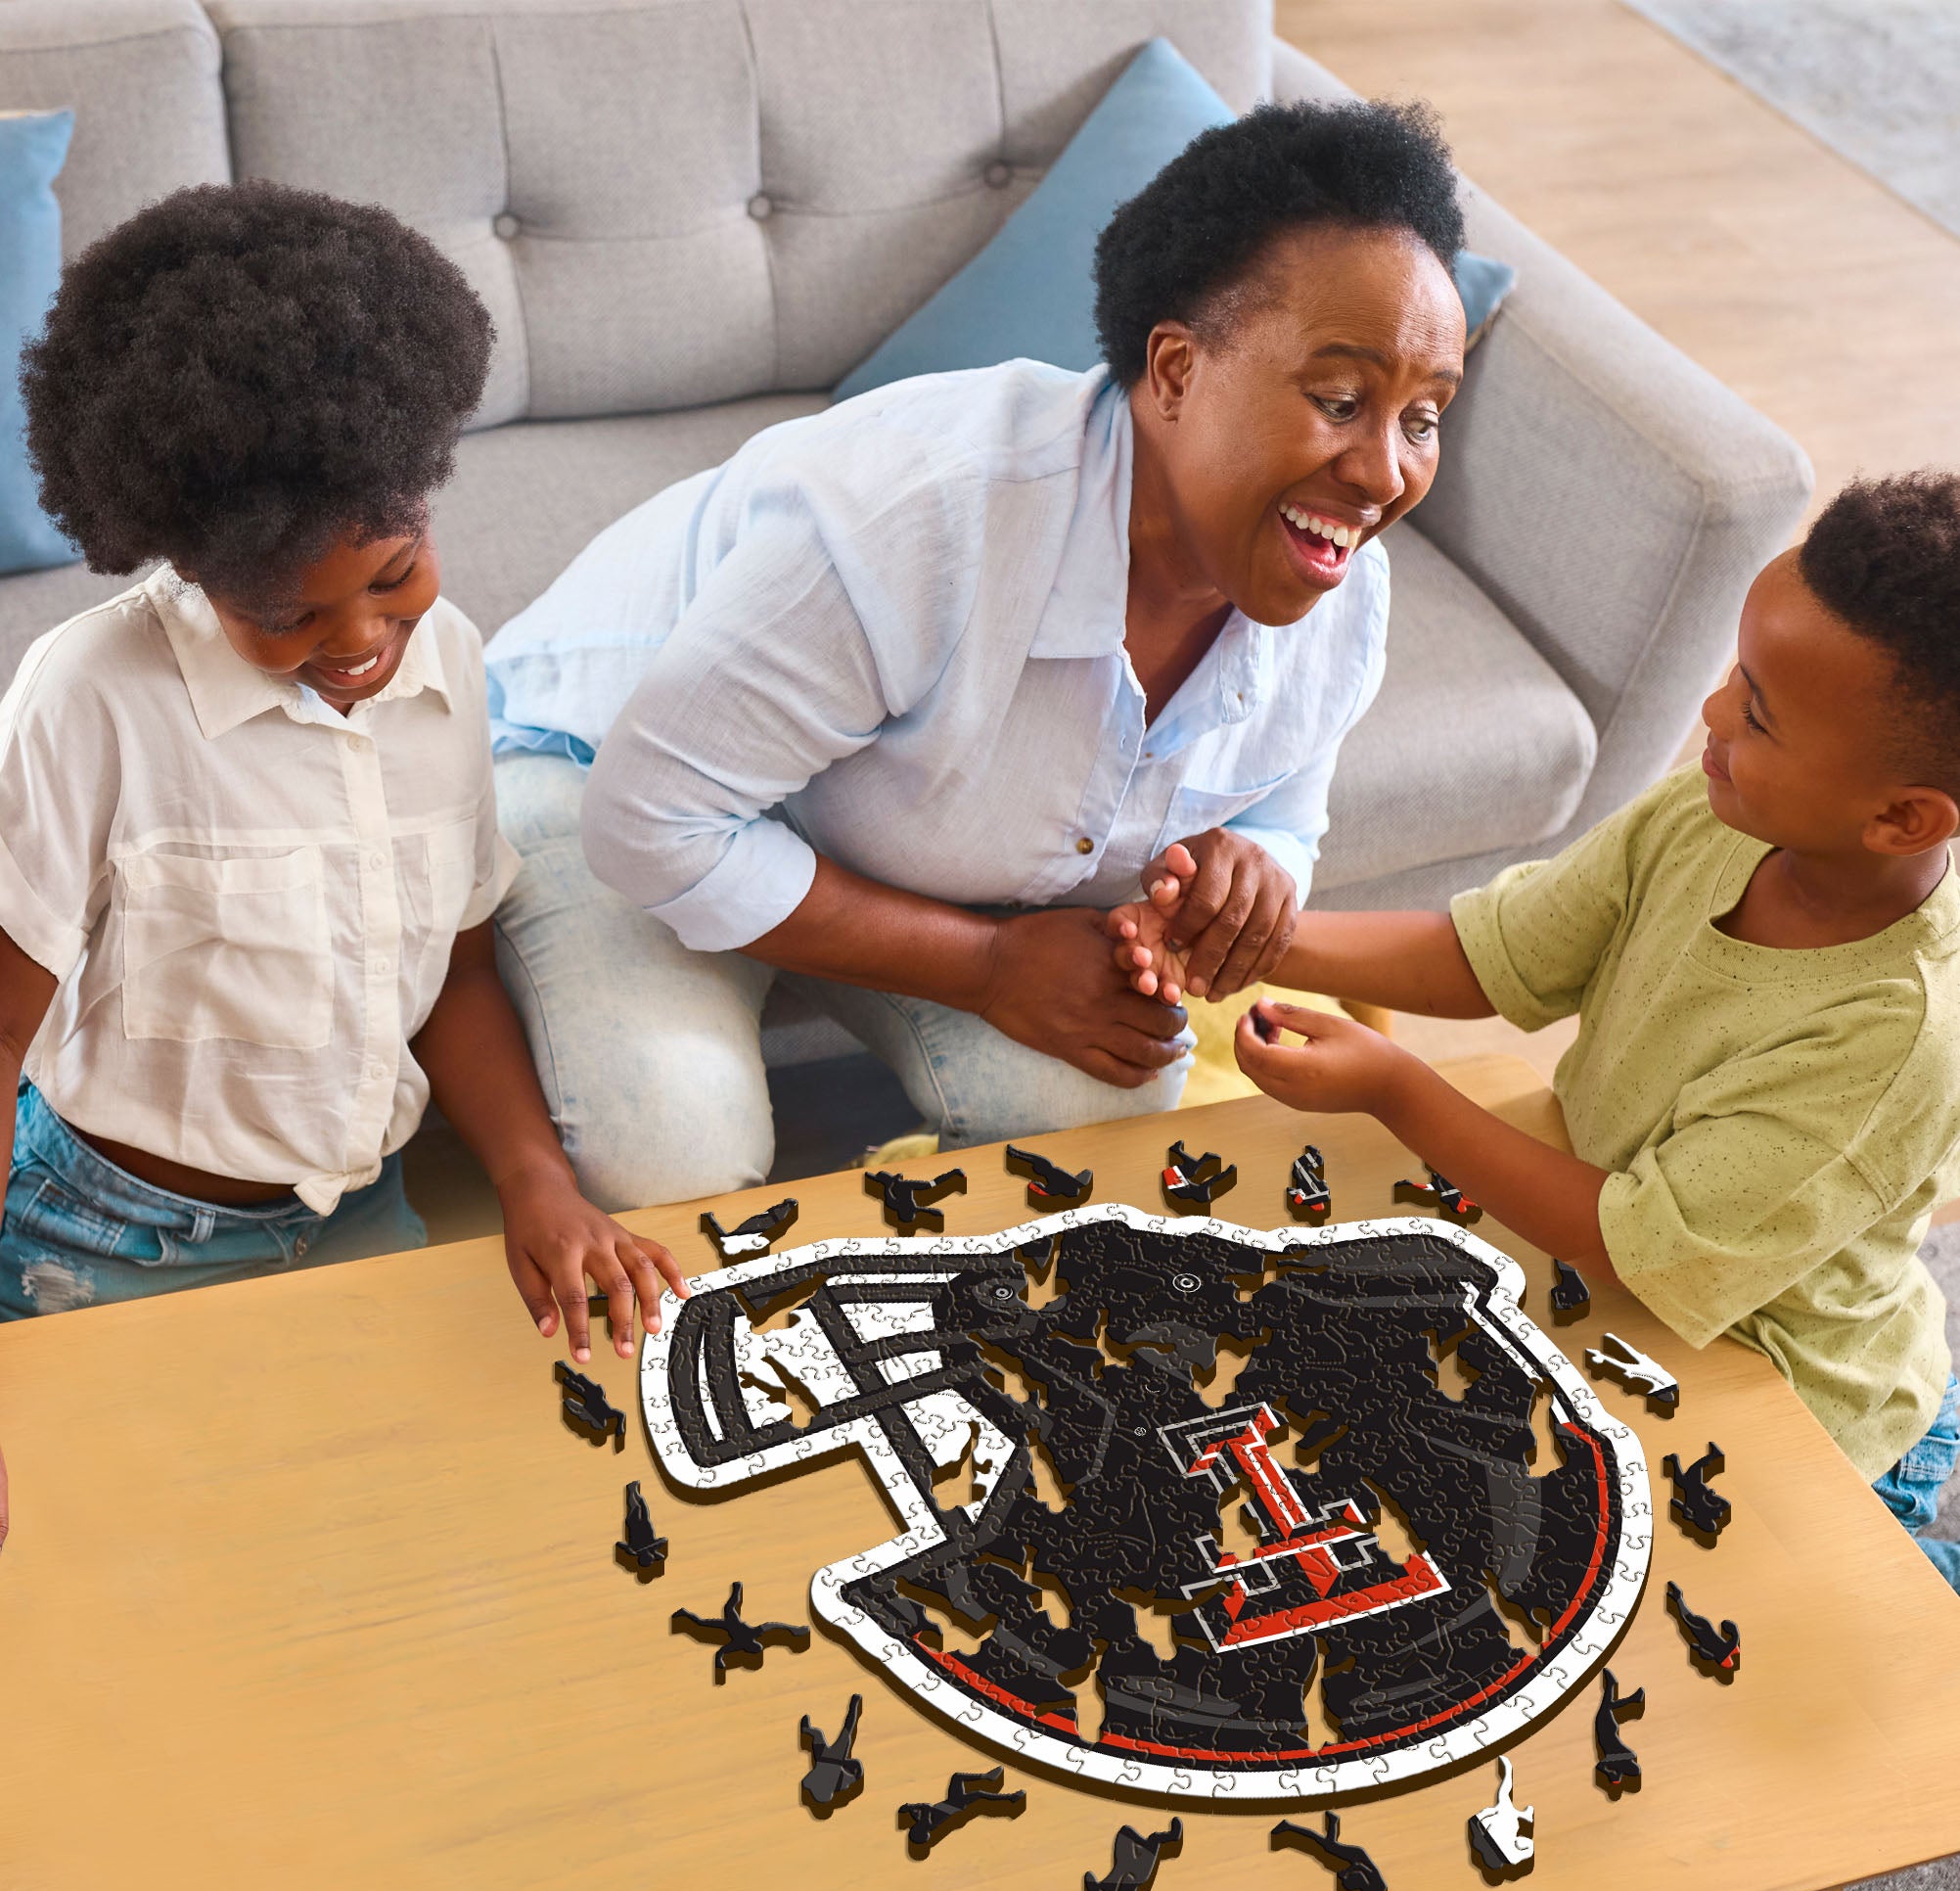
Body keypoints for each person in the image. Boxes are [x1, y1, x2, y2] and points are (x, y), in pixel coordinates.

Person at [483, 98, 1471, 1206]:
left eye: (1422, 417)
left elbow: (1282, 817)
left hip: (868, 840)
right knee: (674, 1160)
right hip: (605, 768)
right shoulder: (922, 519)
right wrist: (987, 966)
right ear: (1175, 370)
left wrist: (1248, 869)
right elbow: (650, 820)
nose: (1384, 473)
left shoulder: (1338, 592)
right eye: (1339, 400)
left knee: (1115, 1089)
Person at [1112, 475, 1960, 1589]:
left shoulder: (1892, 1038)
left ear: (1898, 816)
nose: (1710, 714)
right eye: (1734, 676)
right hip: (1624, 1271)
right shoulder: (1716, 808)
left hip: (1799, 1398)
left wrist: (1396, 1087)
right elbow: (1495, 953)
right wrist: (1249, 934)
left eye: (1756, 714)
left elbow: (1635, 1237)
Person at [0, 182, 687, 1371]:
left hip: (357, 1214)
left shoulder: (448, 660)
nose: (364, 639)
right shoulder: (90, 696)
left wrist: (535, 1177)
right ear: (191, 565)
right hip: (110, 1242)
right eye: (288, 613)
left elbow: (454, 972)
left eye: (395, 573)